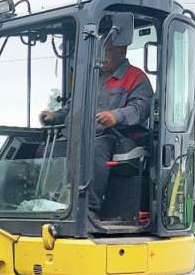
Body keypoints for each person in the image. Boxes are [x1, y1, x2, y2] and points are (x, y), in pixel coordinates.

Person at [40, 34, 153, 219]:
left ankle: (88, 208)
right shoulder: (91, 79)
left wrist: (116, 116)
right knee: (49, 148)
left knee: (93, 148)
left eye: (107, 52)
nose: (101, 57)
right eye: (99, 52)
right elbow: (71, 107)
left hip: (116, 136)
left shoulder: (136, 78)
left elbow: (140, 108)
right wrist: (55, 116)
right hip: (80, 133)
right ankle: (50, 202)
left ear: (121, 51)